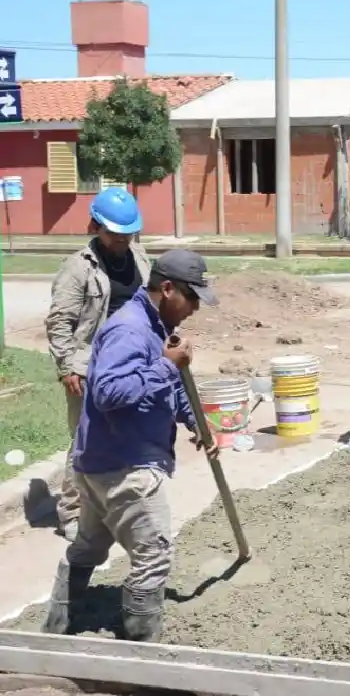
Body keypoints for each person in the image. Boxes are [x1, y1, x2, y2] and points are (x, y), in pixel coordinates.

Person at [42, 249, 219, 643]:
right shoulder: (130, 329)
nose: (194, 309)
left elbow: (166, 388)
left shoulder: (155, 325)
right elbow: (108, 392)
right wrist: (167, 364)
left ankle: (54, 629)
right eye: (191, 299)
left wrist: (196, 422)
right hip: (124, 468)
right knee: (153, 556)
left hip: (101, 463)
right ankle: (143, 649)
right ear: (168, 288)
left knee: (88, 547)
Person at [44, 186, 152, 542]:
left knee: (126, 436)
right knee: (85, 440)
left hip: (131, 361)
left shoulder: (139, 256)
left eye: (128, 234)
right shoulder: (78, 268)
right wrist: (67, 365)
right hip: (89, 365)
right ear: (96, 227)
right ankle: (73, 513)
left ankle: (114, 506)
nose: (122, 241)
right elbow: (59, 322)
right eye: (115, 235)